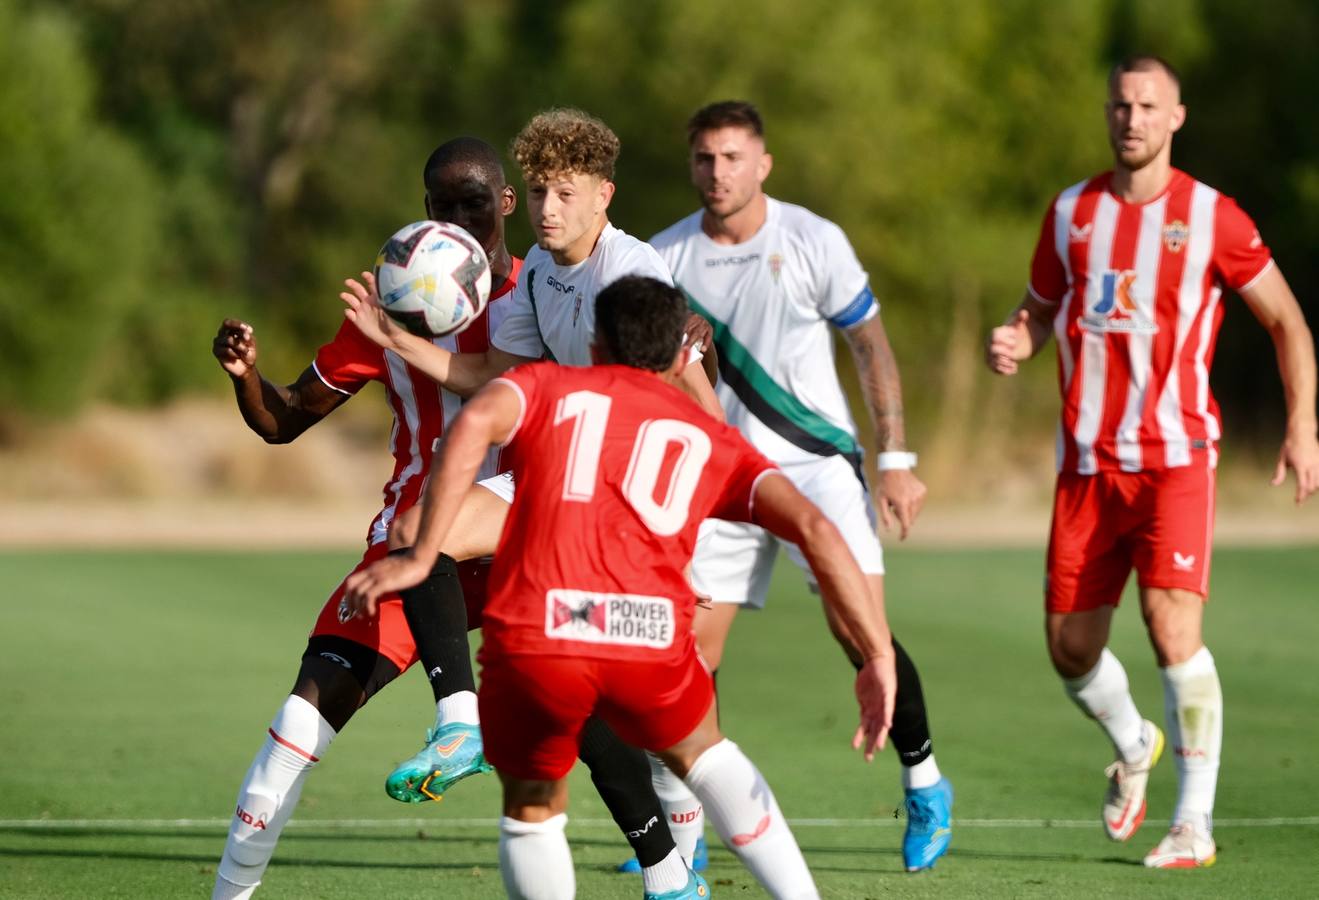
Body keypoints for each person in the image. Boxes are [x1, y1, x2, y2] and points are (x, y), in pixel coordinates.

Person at [208, 137, 684, 899]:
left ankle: (670, 874)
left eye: (475, 203)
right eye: (443, 205)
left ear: (504, 204)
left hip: (527, 535)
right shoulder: (396, 297)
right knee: (300, 722)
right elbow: (284, 419)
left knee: (585, 715)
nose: (459, 218)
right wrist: (246, 378)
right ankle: (231, 891)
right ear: (426, 208)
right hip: (418, 545)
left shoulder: (542, 288)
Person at [344, 275, 900, 900]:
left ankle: (466, 727)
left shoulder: (547, 387)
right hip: (648, 635)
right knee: (708, 756)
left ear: (596, 341)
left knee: (532, 805)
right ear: (674, 357)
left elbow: (474, 422)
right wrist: (876, 653)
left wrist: (423, 554)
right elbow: (817, 529)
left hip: (539, 637)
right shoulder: (712, 441)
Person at [339, 109, 718, 896]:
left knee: (589, 699)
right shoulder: (541, 275)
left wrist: (688, 534)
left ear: (603, 196)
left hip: (619, 499)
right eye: (540, 191)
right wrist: (397, 339)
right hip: (558, 479)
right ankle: (461, 723)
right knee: (422, 531)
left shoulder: (632, 272)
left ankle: (671, 871)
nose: (547, 209)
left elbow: (697, 407)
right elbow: (492, 377)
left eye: (565, 194)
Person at [984, 55, 1319, 868]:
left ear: (1175, 118)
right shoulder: (1070, 212)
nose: (1130, 117)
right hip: (1085, 468)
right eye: (1119, 104)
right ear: (1107, 114)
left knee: (1171, 627)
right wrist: (1016, 338)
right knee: (1068, 646)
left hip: (1175, 459)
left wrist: (1301, 423)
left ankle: (1192, 825)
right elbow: (1038, 307)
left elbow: (1287, 323)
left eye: (1147, 105)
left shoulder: (1213, 217)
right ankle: (1134, 742)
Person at [643, 100, 954, 873]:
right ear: (691, 166)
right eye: (704, 160)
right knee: (682, 655)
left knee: (860, 634)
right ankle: (684, 833)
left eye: (732, 158)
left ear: (763, 164)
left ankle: (923, 782)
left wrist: (896, 460)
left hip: (816, 466)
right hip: (723, 478)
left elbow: (871, 346)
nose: (718, 173)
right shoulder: (663, 256)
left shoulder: (813, 239)